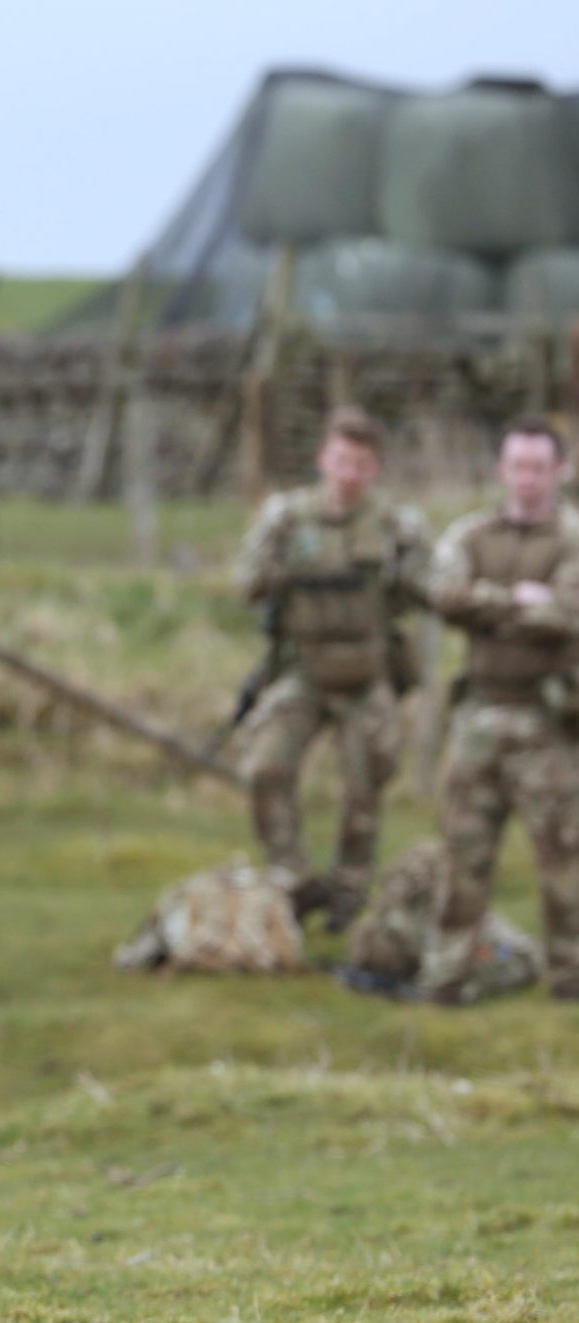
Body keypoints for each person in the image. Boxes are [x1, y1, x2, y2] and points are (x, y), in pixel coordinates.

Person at [229, 407, 429, 928]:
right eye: (341, 461)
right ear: (323, 459)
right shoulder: (287, 518)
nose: (349, 474)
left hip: (367, 673)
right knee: (265, 766)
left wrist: (403, 570)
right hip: (302, 669)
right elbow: (247, 583)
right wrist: (286, 564)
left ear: (375, 469)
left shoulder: (395, 526)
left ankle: (347, 894)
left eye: (361, 464)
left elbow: (428, 592)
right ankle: (293, 878)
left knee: (366, 787)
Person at [421, 416, 579, 1004]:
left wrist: (484, 604)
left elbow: (565, 613)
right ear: (502, 470)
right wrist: (516, 598)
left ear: (559, 471)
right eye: (518, 466)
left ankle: (571, 976)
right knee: (464, 851)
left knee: (564, 857)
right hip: (479, 717)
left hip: (551, 722)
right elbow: (442, 595)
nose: (529, 479)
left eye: (540, 467)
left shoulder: (572, 535)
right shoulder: (470, 534)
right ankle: (447, 974)